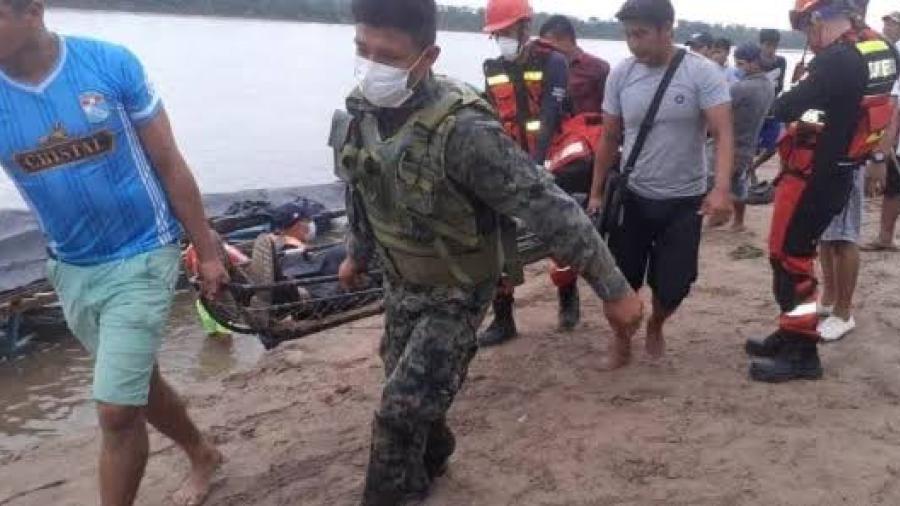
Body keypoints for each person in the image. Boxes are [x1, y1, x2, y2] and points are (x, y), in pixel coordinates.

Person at [332, 0, 645, 503]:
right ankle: (434, 455)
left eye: (386, 56)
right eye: (362, 50)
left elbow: (548, 207)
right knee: (400, 376)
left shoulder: (464, 131)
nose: (371, 67)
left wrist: (614, 289)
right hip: (400, 280)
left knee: (398, 411)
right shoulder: (363, 109)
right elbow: (362, 183)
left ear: (427, 56)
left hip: (456, 290)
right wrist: (356, 252)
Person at [0, 1, 228, 505]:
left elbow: (168, 161)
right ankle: (200, 450)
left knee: (115, 411)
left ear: (32, 11)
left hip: (144, 251)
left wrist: (206, 249)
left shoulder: (109, 64)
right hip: (71, 266)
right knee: (135, 387)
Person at [745, 0, 898, 382]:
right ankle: (789, 329)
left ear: (817, 19)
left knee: (791, 259)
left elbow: (786, 105)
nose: (807, 39)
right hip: (838, 171)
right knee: (785, 253)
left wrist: (788, 96)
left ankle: (802, 351)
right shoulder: (877, 46)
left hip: (816, 175)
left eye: (805, 28)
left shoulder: (837, 59)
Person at [587, 0, 735, 367]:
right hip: (633, 197)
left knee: (674, 285)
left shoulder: (702, 73)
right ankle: (621, 339)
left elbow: (723, 132)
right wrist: (596, 192)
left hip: (685, 200)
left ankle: (656, 323)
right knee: (620, 280)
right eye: (628, 35)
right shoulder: (621, 75)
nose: (633, 44)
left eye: (641, 34)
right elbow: (608, 137)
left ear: (667, 29)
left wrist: (720, 190)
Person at [480, 0, 579, 343]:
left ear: (525, 28)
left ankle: (568, 297)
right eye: (497, 34)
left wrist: (536, 167)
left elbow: (551, 114)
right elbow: (489, 117)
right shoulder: (491, 68)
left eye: (507, 31)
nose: (502, 39)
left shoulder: (554, 62)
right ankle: (503, 319)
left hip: (548, 160)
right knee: (495, 241)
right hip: (506, 164)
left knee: (557, 235)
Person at [860, 11, 900, 252]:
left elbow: (894, 102)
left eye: (893, 24)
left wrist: (886, 143)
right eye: (886, 23)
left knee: (893, 183)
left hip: (889, 124)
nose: (888, 27)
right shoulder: (881, 51)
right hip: (884, 122)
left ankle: (885, 236)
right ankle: (885, 236)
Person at [727, 43, 777, 232]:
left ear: (754, 63)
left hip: (734, 141)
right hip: (750, 142)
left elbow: (723, 112)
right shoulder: (768, 85)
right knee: (740, 182)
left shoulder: (741, 88)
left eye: (740, 63)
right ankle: (738, 221)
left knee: (722, 181)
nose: (738, 68)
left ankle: (720, 217)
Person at [539, 14, 611, 116]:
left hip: (587, 128)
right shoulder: (544, 67)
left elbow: (612, 109)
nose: (545, 49)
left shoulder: (599, 68)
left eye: (547, 44)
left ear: (565, 39)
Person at [757, 28, 788, 157]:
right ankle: (750, 173)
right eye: (768, 45)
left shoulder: (781, 61)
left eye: (774, 46)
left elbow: (780, 86)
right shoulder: (753, 61)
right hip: (756, 110)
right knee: (752, 146)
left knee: (773, 146)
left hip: (772, 109)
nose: (771, 49)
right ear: (761, 44)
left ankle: (752, 169)